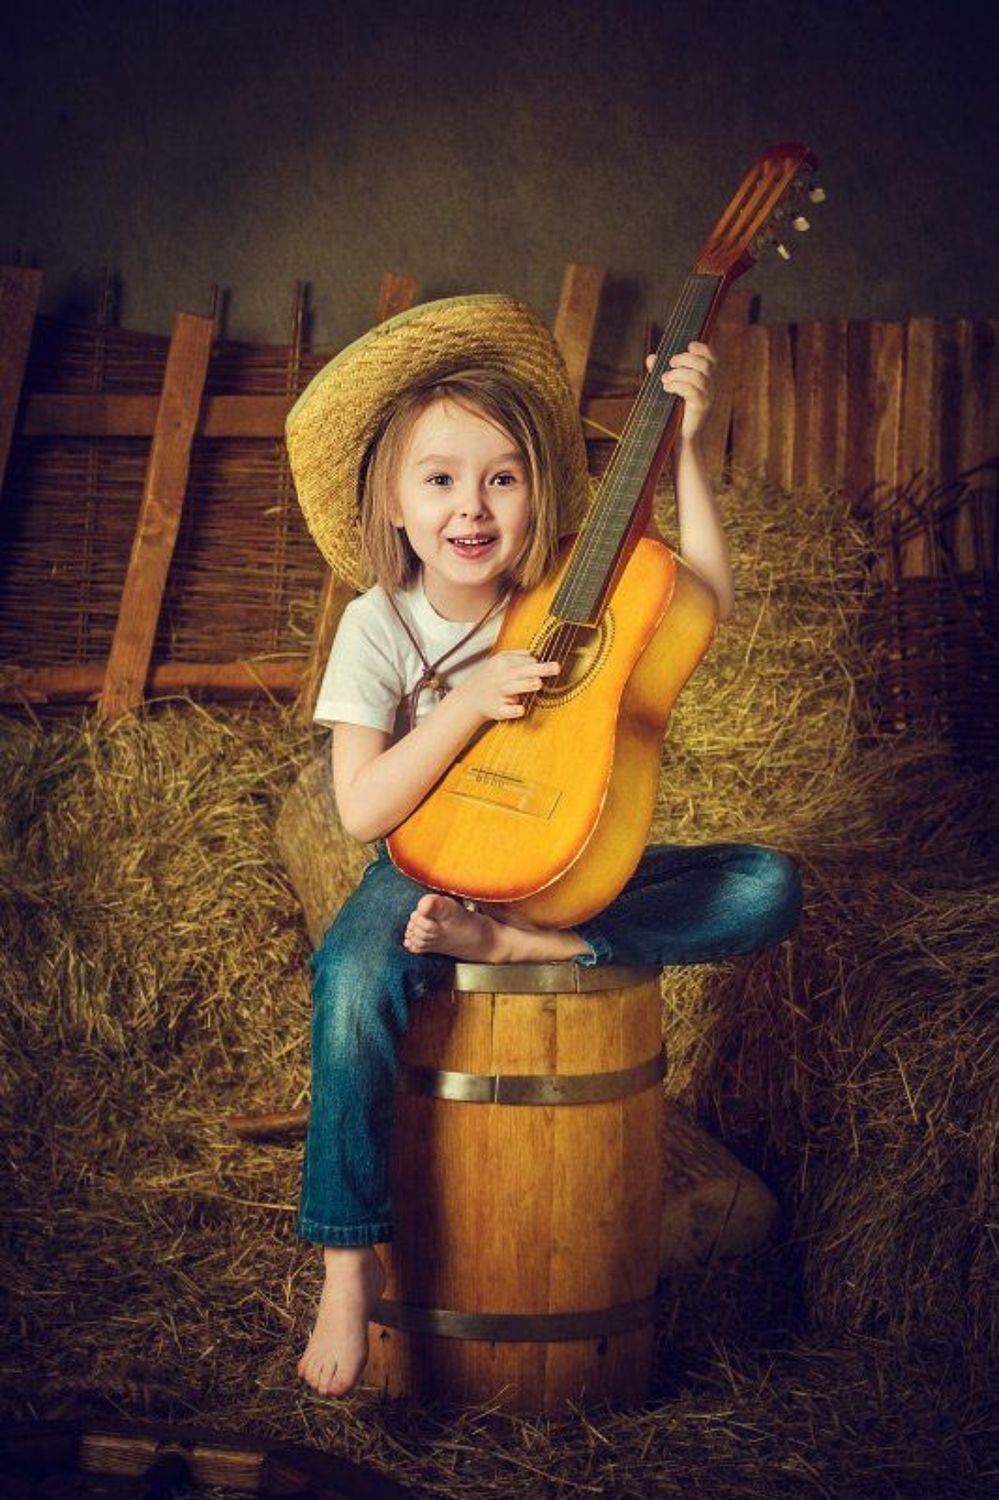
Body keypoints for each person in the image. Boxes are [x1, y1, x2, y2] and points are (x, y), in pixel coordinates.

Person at [284, 294, 804, 1399]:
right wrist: (465, 703)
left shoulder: (563, 593)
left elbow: (704, 597)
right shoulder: (379, 626)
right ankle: (344, 1253)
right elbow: (365, 808)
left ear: (540, 495)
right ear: (392, 499)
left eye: (502, 477)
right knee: (352, 973)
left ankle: (539, 947)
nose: (471, 507)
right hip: (422, 870)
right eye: (439, 479)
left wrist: (695, 452)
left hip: (567, 875)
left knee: (767, 885)